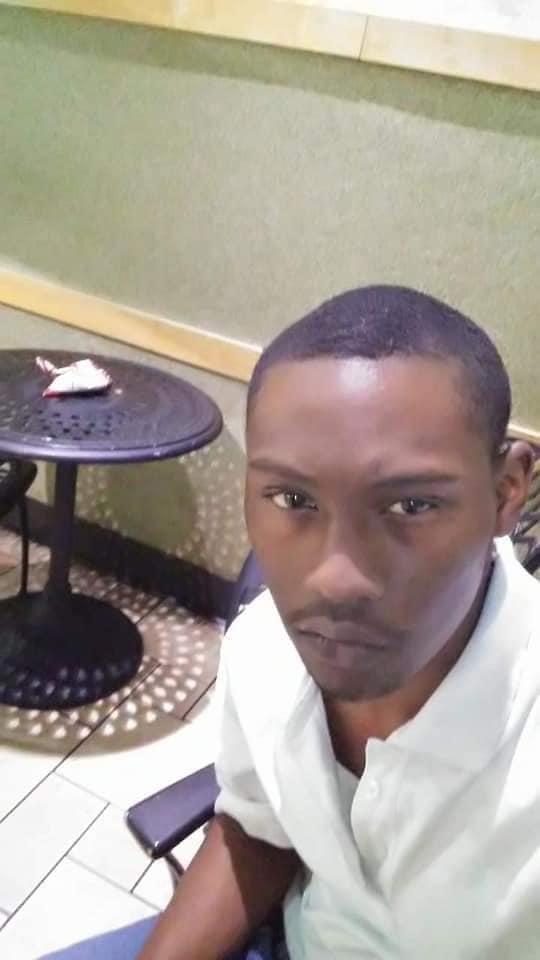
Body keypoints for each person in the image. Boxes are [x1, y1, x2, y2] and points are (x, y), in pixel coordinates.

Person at [43, 286, 538, 959]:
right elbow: (259, 828)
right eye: (291, 498)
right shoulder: (265, 647)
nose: (335, 579)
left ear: (506, 492)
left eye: (412, 505)